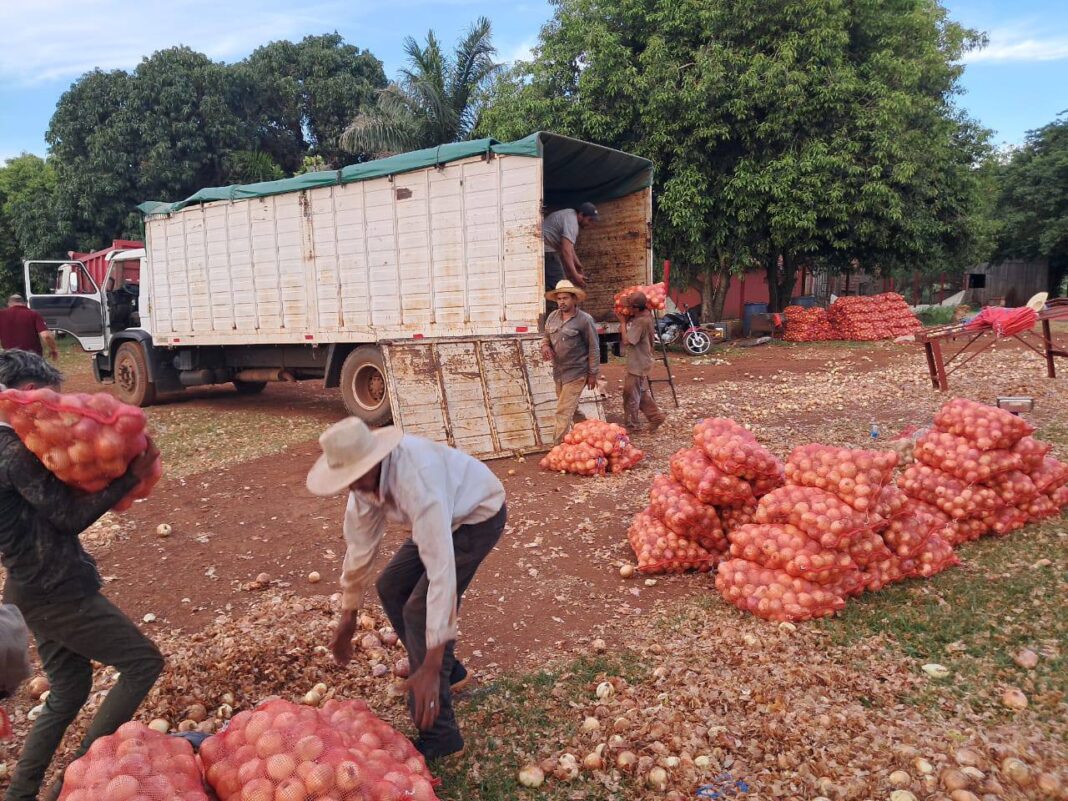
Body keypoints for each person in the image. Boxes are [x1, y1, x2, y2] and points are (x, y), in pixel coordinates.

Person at [0, 350, 163, 801]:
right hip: (54, 589)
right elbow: (67, 518)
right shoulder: (13, 452)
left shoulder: (13, 448)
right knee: (142, 663)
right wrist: (126, 479)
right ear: (27, 393)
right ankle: (75, 779)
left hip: (29, 585)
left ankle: (23, 793)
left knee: (69, 689)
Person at [307, 417, 507, 761]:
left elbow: (442, 572)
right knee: (391, 586)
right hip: (442, 517)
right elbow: (359, 547)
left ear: (377, 461)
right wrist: (349, 614)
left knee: (419, 610)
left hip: (477, 516)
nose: (355, 488)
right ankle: (453, 673)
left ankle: (442, 737)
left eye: (358, 478)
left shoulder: (418, 482)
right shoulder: (363, 487)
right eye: (348, 482)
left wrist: (430, 664)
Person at [540, 280, 600, 444]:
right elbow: (546, 337)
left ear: (574, 299)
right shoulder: (552, 317)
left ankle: (557, 446)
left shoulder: (584, 320)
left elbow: (594, 348)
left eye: (565, 298)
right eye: (559, 299)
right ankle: (589, 432)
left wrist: (593, 373)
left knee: (562, 410)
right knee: (570, 409)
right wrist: (545, 346)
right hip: (559, 372)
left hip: (577, 372)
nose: (562, 302)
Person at [617, 291, 666, 434]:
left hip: (638, 364)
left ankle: (632, 425)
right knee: (640, 392)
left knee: (630, 394)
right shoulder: (645, 315)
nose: (628, 310)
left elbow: (627, 341)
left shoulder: (640, 322)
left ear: (636, 309)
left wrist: (622, 323)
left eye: (630, 307)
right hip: (642, 360)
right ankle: (655, 417)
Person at [542, 202, 599, 292]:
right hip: (545, 249)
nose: (590, 224)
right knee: (563, 289)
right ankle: (570, 305)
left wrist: (578, 265)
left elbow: (570, 247)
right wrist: (575, 275)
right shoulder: (572, 223)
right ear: (581, 215)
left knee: (561, 287)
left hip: (545, 248)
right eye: (589, 220)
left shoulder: (570, 214)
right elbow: (566, 251)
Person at [0, 296, 58, 361]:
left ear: (9, 304)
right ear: (25, 303)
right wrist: (53, 349)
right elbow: (46, 336)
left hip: (9, 359)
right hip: (33, 359)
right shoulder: (33, 314)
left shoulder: (1, 315)